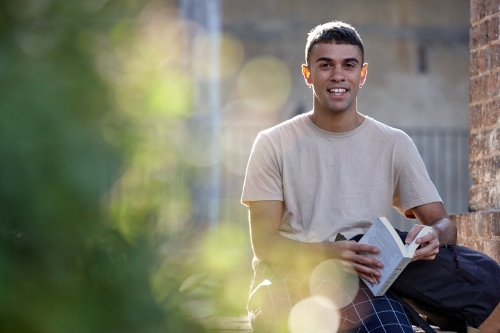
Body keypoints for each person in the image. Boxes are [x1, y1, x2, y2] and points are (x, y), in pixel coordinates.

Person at [241, 21, 499, 333]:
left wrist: (433, 236)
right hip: (287, 271)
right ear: (308, 74)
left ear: (362, 74)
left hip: (363, 276)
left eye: (348, 65)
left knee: (392, 328)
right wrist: (330, 252)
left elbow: (443, 223)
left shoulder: (394, 143)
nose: (338, 75)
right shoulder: (273, 142)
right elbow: (265, 245)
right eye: (325, 65)